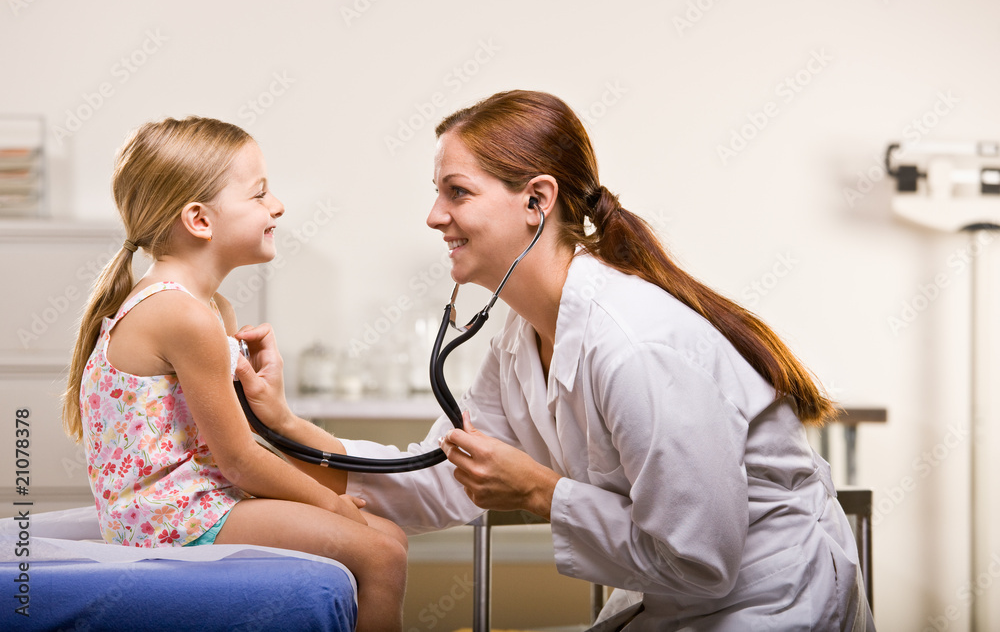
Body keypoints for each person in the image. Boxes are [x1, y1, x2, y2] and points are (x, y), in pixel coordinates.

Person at [238, 91, 876, 630]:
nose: (434, 217)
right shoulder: (522, 337)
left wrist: (541, 491)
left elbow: (701, 558)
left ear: (536, 200)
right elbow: (437, 478)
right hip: (686, 604)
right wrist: (286, 428)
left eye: (457, 193)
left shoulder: (636, 347)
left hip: (771, 604)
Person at [61, 117, 407, 632]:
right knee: (383, 555)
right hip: (170, 519)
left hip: (200, 500)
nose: (278, 206)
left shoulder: (210, 308)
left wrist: (282, 418)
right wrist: (334, 504)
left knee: (389, 538)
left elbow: (233, 443)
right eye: (260, 194)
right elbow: (240, 460)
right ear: (199, 220)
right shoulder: (184, 315)